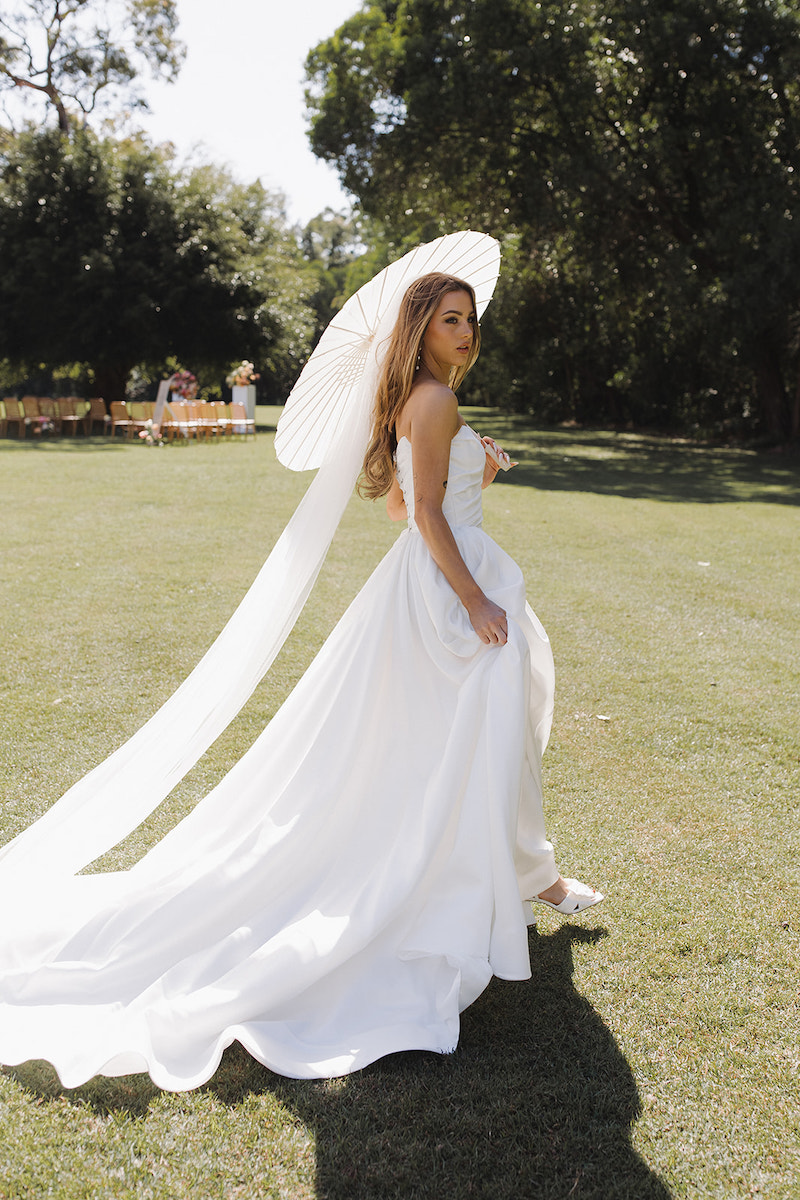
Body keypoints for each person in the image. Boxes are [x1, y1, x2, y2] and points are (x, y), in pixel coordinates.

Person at [0, 270, 601, 1093]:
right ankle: (492, 886)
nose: (466, 332)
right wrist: (476, 601)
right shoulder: (433, 403)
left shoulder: (415, 402)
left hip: (427, 579)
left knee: (476, 733)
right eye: (450, 319)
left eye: (470, 319)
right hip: (448, 588)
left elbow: (399, 505)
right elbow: (423, 515)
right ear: (421, 329)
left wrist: (479, 474)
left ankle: (526, 876)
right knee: (487, 731)